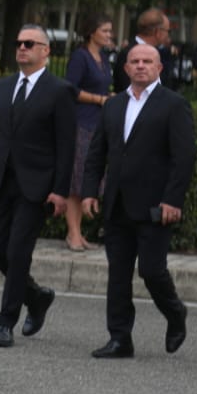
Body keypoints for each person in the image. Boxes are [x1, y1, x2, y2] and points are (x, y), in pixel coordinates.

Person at [82, 44, 195, 358]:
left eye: (147, 61)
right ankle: (120, 338)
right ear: (126, 68)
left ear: (159, 68)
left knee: (151, 270)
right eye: (135, 61)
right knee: (118, 274)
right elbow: (97, 153)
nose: (141, 65)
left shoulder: (174, 105)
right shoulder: (114, 105)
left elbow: (183, 158)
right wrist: (90, 191)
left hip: (155, 206)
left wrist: (173, 200)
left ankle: (175, 312)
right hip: (117, 204)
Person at [0, 25, 77, 348]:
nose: (22, 48)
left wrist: (60, 190)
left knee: (18, 253)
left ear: (46, 50)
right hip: (1, 182)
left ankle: (5, 323)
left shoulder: (60, 91)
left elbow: (66, 146)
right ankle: (36, 296)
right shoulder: (3, 86)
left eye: (29, 43)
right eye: (18, 42)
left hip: (37, 186)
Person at [63, 15, 114, 250]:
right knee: (76, 178)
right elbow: (70, 89)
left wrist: (109, 98)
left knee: (88, 178)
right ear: (92, 32)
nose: (109, 35)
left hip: (98, 123)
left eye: (110, 31)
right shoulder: (80, 57)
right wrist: (98, 99)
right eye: (105, 30)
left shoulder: (103, 58)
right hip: (80, 123)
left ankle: (78, 232)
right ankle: (72, 233)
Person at [111, 8, 172, 94]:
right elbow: (128, 90)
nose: (168, 35)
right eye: (167, 31)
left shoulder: (159, 53)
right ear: (158, 32)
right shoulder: (128, 54)